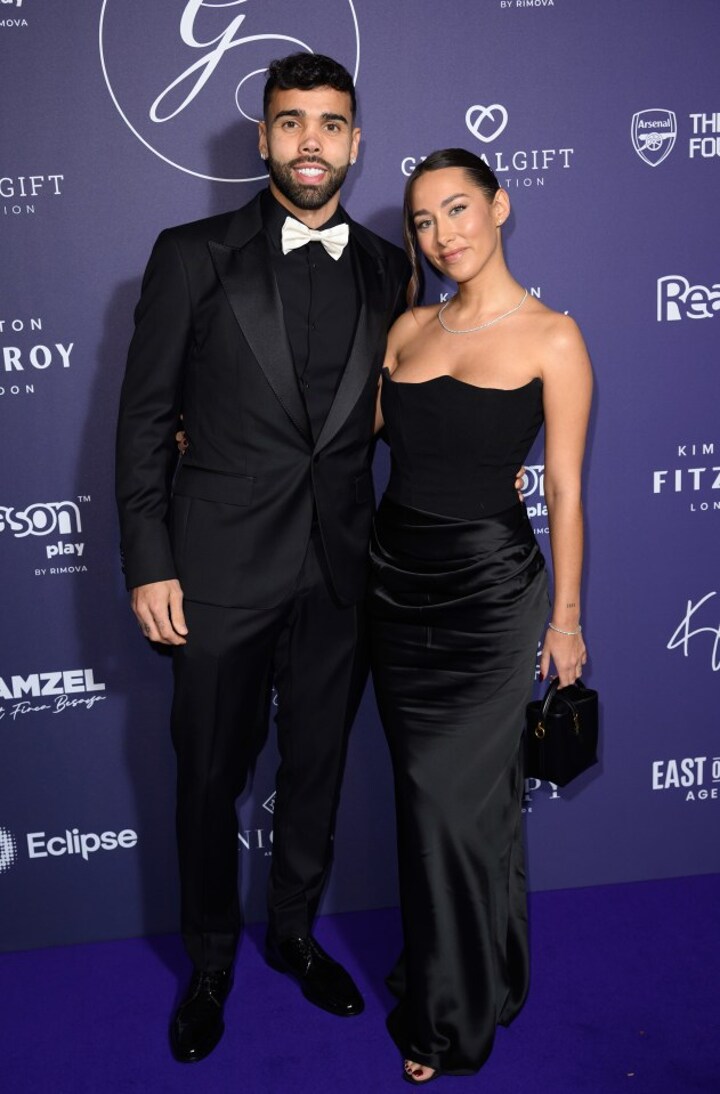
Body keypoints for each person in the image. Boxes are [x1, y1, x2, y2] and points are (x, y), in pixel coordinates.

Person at [115, 53, 409, 1063]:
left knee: (317, 769)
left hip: (341, 570)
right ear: (264, 137)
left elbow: (400, 404)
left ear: (355, 141)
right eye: (291, 122)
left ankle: (292, 932)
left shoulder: (389, 267)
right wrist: (149, 560)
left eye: (329, 124)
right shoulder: (191, 255)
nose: (310, 142)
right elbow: (144, 421)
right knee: (207, 776)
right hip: (215, 572)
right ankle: (209, 962)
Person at [369, 148, 592, 1084]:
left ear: (499, 206)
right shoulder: (407, 328)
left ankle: (446, 1017)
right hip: (393, 585)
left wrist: (566, 621)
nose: (442, 234)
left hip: (491, 596)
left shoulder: (553, 337)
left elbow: (566, 492)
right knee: (449, 803)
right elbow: (338, 440)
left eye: (457, 209)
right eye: (424, 221)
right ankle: (483, 966)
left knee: (448, 804)